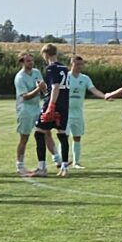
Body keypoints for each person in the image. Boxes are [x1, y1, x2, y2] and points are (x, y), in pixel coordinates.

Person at [35, 43, 72, 172]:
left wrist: (51, 106)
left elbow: (55, 87)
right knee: (62, 134)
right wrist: (44, 88)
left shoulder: (51, 68)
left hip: (54, 104)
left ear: (45, 54)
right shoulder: (64, 68)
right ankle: (64, 167)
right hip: (64, 105)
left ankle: (41, 167)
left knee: (39, 132)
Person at [61, 54, 99, 169]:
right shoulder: (65, 77)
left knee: (77, 137)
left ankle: (76, 162)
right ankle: (63, 162)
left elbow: (94, 90)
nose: (79, 66)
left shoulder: (85, 78)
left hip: (78, 113)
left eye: (81, 64)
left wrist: (105, 96)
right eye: (77, 64)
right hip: (65, 113)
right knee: (64, 137)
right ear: (71, 64)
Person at [13, 50, 47, 176]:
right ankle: (20, 165)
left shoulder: (36, 72)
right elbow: (25, 96)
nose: (31, 63)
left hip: (37, 108)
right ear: (22, 62)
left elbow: (43, 88)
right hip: (25, 110)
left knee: (45, 133)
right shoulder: (20, 77)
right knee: (24, 138)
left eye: (32, 60)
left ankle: (57, 160)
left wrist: (44, 89)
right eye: (28, 61)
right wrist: (38, 88)